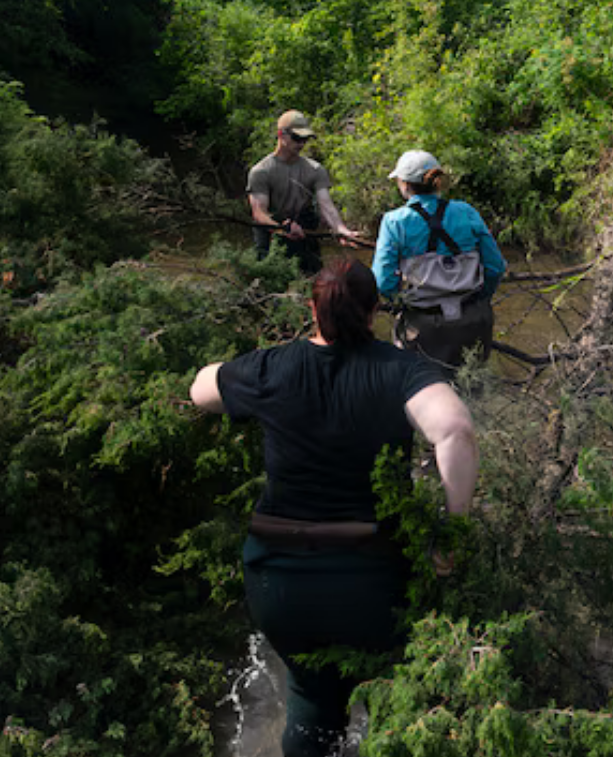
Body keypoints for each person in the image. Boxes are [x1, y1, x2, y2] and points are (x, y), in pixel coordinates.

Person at [189, 258, 479, 757]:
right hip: (371, 578)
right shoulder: (399, 368)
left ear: (312, 309)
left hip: (278, 580)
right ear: (375, 312)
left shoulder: (272, 366)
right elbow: (454, 429)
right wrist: (451, 532)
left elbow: (200, 390)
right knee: (394, 692)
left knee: (312, 701)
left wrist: (251, 375)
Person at [372, 150, 507, 371]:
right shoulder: (466, 212)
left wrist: (399, 304)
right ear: (436, 182)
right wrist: (481, 299)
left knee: (422, 393)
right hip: (473, 318)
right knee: (473, 389)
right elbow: (495, 267)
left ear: (405, 184)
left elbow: (383, 282)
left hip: (424, 324)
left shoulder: (394, 222)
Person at [247, 110, 362, 274]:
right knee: (269, 288)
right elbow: (259, 213)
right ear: (281, 135)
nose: (301, 144)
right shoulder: (261, 172)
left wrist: (341, 229)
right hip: (273, 234)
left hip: (304, 231)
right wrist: (283, 227)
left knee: (314, 285)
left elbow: (326, 205)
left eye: (305, 139)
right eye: (297, 138)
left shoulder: (315, 170)